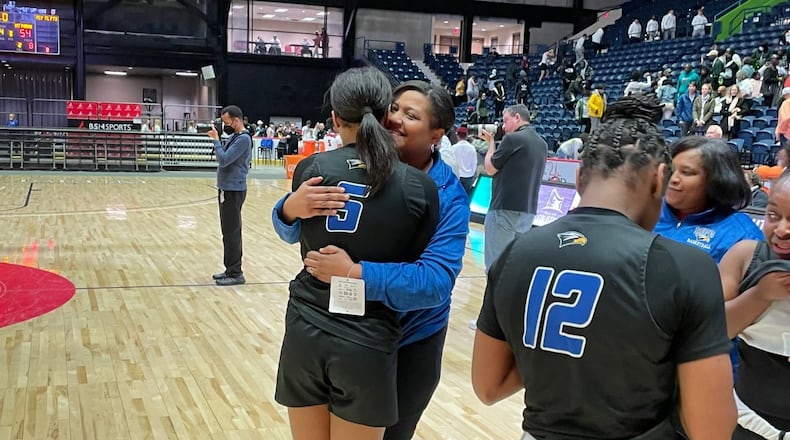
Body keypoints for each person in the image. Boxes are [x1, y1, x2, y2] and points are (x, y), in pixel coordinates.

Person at [472, 94, 737, 439]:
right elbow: (712, 430)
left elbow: (487, 386)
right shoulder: (686, 267)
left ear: (579, 176)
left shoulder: (516, 253)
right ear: (660, 177)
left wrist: (564, 353)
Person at [272, 78, 469, 440]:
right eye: (393, 108)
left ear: (436, 135)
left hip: (410, 337)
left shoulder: (445, 196)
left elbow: (435, 282)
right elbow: (296, 234)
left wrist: (355, 273)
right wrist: (287, 209)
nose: (394, 119)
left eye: (411, 115)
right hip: (336, 329)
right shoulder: (343, 165)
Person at [718, 171, 790, 438]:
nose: (782, 230)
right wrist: (761, 294)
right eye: (773, 215)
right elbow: (713, 330)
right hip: (751, 420)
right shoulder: (745, 256)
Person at [481, 104, 547, 271]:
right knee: (514, 266)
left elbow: (490, 168)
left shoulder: (512, 139)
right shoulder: (542, 144)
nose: (503, 126)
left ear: (517, 118)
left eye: (505, 121)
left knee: (495, 266)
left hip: (504, 209)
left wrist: (490, 143)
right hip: (528, 211)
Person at [207, 105, 252, 286]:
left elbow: (224, 160)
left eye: (227, 122)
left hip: (233, 190)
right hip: (227, 188)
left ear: (236, 120)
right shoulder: (235, 137)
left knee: (232, 232)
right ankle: (229, 269)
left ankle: (236, 273)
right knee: (227, 232)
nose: (225, 125)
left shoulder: (243, 139)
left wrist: (216, 140)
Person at [451, 126, 478, 195]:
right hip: (468, 176)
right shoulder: (472, 148)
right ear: (466, 135)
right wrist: (471, 174)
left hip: (456, 176)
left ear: (457, 136)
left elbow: (451, 163)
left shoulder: (453, 148)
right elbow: (474, 163)